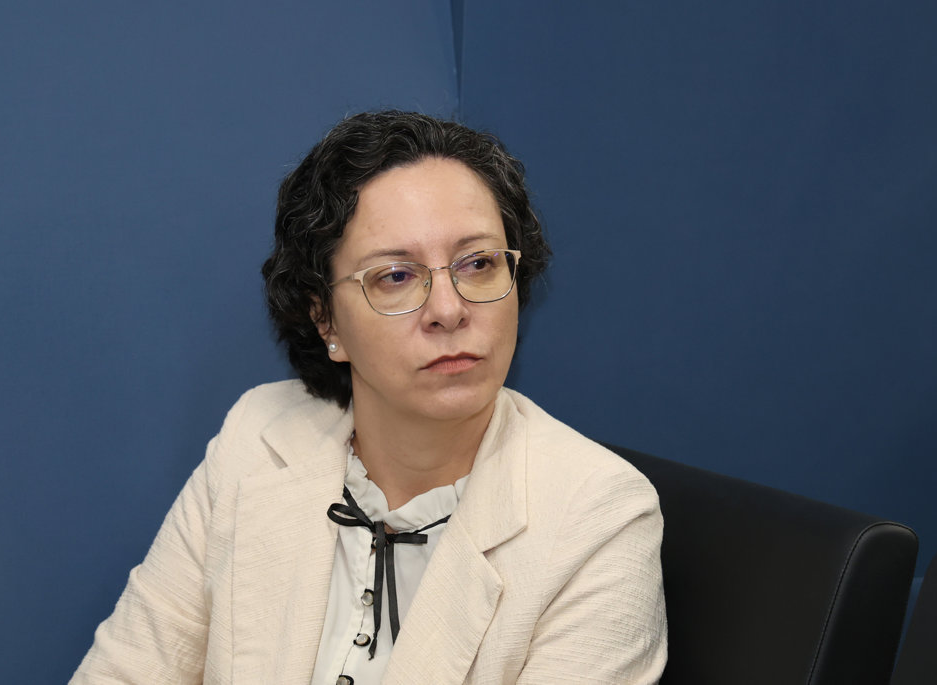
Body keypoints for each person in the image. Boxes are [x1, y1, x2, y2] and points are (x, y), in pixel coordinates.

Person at [71, 111, 667, 684]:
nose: (449, 309)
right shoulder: (256, 437)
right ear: (325, 320)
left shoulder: (598, 518)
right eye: (395, 276)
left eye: (478, 263)